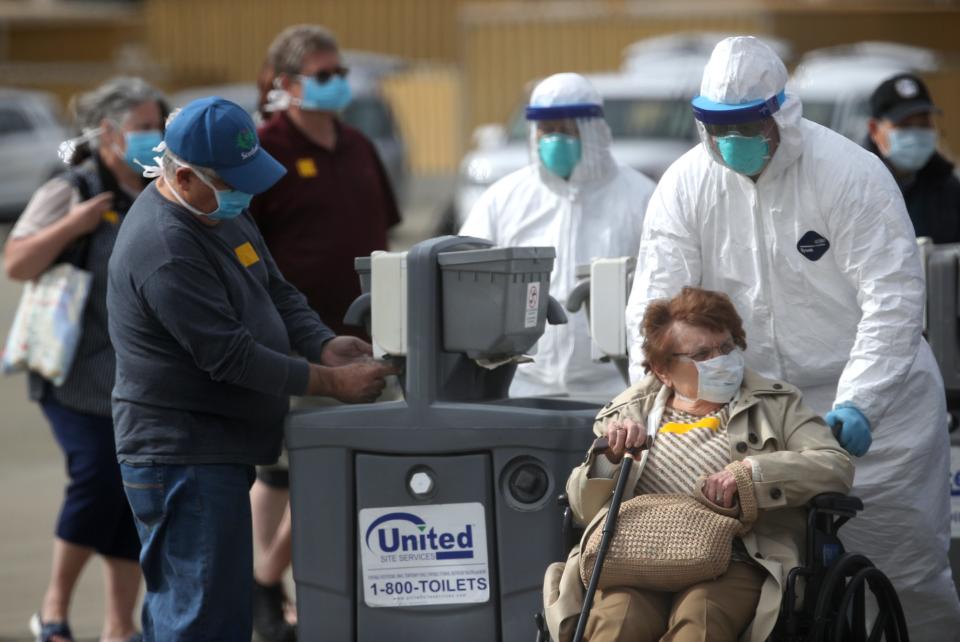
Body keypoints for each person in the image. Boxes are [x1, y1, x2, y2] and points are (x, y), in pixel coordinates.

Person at [624, 36, 960, 641]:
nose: (733, 141)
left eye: (748, 125)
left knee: (905, 583)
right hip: (753, 425)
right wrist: (649, 406)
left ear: (781, 114)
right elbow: (655, 312)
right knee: (770, 591)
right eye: (718, 126)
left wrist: (862, 401)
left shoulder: (849, 174)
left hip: (876, 421)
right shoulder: (686, 186)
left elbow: (893, 299)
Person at [106, 96, 396, 641]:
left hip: (214, 450)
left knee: (204, 609)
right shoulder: (166, 246)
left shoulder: (219, 212)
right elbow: (230, 356)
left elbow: (275, 288)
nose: (244, 194)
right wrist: (332, 383)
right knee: (200, 621)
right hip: (181, 456)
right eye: (230, 181)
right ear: (185, 176)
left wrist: (323, 342)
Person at [548, 287, 852, 642]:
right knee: (616, 626)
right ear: (663, 369)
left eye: (726, 347)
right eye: (703, 354)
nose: (721, 360)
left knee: (700, 622)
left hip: (737, 559)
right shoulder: (627, 411)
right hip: (636, 559)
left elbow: (835, 466)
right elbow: (583, 509)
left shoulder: (777, 403)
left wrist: (752, 476)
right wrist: (609, 459)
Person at [247, 24, 403, 640]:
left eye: (341, 72)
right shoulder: (267, 150)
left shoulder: (359, 144)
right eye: (325, 74)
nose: (340, 83)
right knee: (279, 473)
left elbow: (384, 232)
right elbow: (246, 244)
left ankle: (264, 581)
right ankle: (273, 591)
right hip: (291, 339)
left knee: (334, 471)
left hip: (362, 338)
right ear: (287, 84)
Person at [3, 76, 167, 642]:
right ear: (109, 133)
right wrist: (75, 223)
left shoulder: (157, 189)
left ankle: (119, 625)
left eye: (159, 126)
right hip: (72, 375)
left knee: (129, 493)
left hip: (133, 378)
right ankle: (52, 611)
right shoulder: (72, 186)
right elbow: (16, 262)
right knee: (96, 479)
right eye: (145, 127)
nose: (156, 137)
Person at [460, 72, 655, 399]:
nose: (554, 139)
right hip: (522, 385)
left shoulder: (640, 198)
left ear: (592, 131)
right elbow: (468, 280)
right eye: (545, 130)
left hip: (615, 390)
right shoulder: (505, 199)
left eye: (565, 130)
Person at [865, 72, 960, 243]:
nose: (915, 134)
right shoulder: (855, 182)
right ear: (874, 129)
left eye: (924, 125)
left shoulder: (948, 186)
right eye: (904, 125)